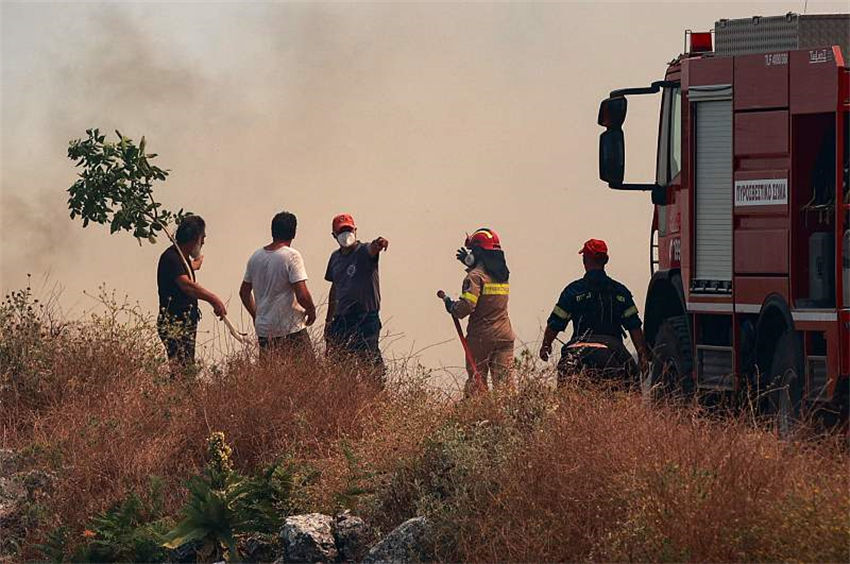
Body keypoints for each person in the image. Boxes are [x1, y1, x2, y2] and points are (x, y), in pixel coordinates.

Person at [538, 238, 650, 386]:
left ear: (584, 260)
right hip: (613, 351)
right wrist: (642, 357)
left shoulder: (572, 291)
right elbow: (634, 327)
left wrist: (546, 346)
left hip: (576, 352)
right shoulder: (620, 292)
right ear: (606, 260)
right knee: (633, 383)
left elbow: (555, 323)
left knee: (566, 393)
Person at [442, 228, 515, 395]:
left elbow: (466, 307)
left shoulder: (475, 277)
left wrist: (451, 306)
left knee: (477, 386)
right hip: (505, 337)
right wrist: (471, 263)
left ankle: (477, 419)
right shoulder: (503, 276)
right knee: (506, 390)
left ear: (478, 252)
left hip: (481, 338)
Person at [240, 211, 317, 361]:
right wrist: (311, 310)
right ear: (293, 233)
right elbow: (302, 295)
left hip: (265, 331)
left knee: (271, 377)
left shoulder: (255, 257)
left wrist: (257, 315)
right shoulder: (291, 256)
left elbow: (243, 293)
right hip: (290, 329)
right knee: (307, 375)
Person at [157, 215, 227, 373]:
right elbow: (187, 285)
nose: (203, 242)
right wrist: (214, 299)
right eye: (202, 238)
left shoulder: (182, 258)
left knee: (186, 366)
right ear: (195, 238)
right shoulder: (171, 258)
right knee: (182, 370)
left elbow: (189, 267)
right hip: (174, 324)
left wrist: (197, 262)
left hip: (185, 323)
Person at [324, 213, 389, 380]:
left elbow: (373, 248)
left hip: (365, 317)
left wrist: (380, 243)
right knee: (341, 368)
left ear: (355, 230)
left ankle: (375, 400)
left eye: (348, 230)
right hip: (342, 319)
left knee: (370, 366)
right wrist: (329, 320)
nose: (346, 234)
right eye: (341, 231)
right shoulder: (335, 258)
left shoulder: (364, 251)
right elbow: (334, 288)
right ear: (334, 235)